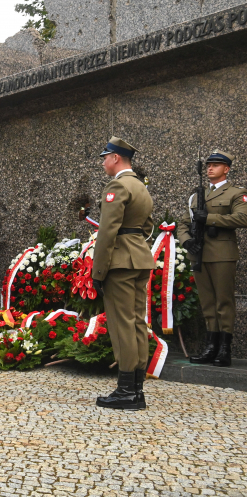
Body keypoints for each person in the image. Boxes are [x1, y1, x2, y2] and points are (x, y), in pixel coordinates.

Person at [91, 137, 154, 410]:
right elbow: (147, 227)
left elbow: (107, 233)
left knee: (122, 324)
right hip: (140, 258)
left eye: (105, 157)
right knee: (138, 322)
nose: (104, 162)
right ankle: (136, 389)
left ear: (116, 157)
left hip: (119, 263)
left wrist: (99, 269)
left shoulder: (117, 185)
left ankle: (126, 390)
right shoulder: (140, 186)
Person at [179, 150, 247, 368]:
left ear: (226, 169)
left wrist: (209, 218)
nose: (210, 168)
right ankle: (210, 346)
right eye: (208, 165)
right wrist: (186, 241)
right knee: (207, 302)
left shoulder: (236, 193)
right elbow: (183, 223)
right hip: (199, 253)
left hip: (222, 255)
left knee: (223, 301)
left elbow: (243, 217)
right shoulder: (197, 195)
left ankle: (224, 348)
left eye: (215, 165)